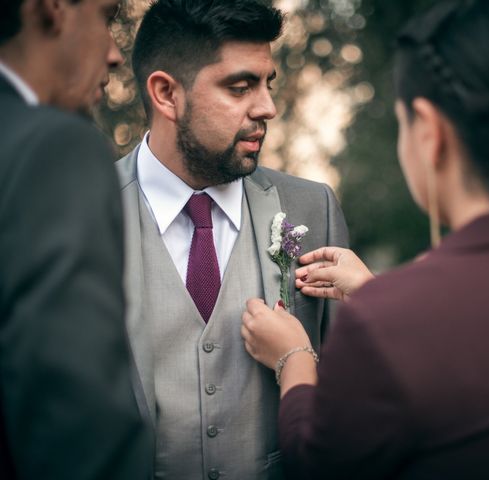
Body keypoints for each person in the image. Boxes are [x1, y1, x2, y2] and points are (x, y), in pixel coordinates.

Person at [241, 0, 489, 478]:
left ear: (428, 131)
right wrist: (378, 295)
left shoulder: (384, 324)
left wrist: (294, 358)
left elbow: (319, 467)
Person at [115, 0, 349, 478]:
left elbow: (350, 390)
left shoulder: (312, 209)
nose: (268, 107)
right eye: (240, 87)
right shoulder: (80, 213)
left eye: (267, 85)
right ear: (166, 94)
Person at [0, 0, 153, 478]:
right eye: (104, 17)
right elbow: (76, 423)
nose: (113, 54)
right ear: (52, 8)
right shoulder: (52, 147)